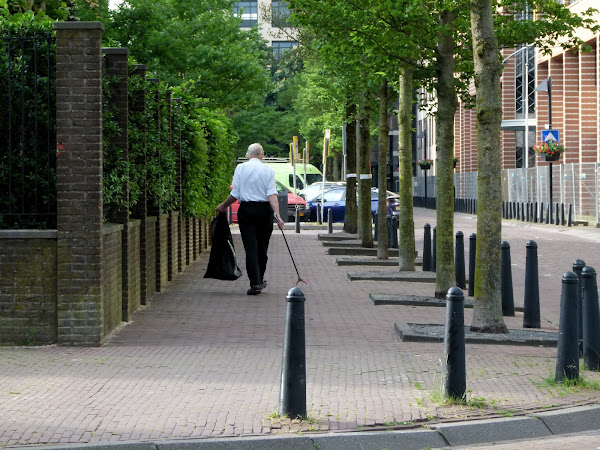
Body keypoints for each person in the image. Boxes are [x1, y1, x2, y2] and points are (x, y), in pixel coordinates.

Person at [217, 143, 285, 295]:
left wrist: (223, 206)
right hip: (264, 211)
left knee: (250, 248)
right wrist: (278, 217)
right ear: (262, 155)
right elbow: (272, 195)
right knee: (262, 247)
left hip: (247, 211)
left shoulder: (241, 168)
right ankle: (260, 279)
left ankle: (255, 283)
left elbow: (235, 193)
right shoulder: (268, 170)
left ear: (248, 155)